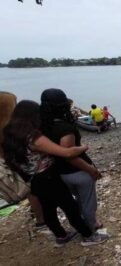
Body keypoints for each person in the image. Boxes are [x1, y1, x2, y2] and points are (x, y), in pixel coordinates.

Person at [2, 100, 107, 247]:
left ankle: (61, 236)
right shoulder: (34, 138)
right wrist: (83, 147)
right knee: (70, 207)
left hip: (31, 179)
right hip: (48, 177)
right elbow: (67, 153)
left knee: (48, 209)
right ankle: (88, 236)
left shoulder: (8, 135)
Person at [40, 89, 104, 233]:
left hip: (60, 173)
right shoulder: (65, 128)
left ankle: (82, 223)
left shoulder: (42, 127)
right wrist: (91, 169)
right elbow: (69, 155)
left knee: (78, 200)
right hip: (78, 171)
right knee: (88, 202)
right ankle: (92, 227)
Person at [0, 92, 45, 230]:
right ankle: (41, 219)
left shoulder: (11, 134)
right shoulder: (21, 134)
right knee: (32, 187)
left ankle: (40, 219)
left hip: (13, 159)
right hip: (21, 166)